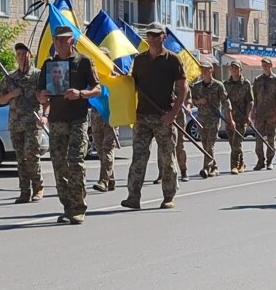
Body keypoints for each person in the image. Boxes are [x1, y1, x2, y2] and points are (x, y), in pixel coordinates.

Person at [37, 25, 101, 225]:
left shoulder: (83, 62)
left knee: (75, 162)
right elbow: (39, 94)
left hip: (77, 119)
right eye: (57, 40)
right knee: (59, 166)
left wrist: (81, 93)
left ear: (72, 41)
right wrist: (42, 96)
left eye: (64, 40)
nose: (59, 43)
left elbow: (98, 89)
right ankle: (68, 207)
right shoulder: (49, 65)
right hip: (56, 121)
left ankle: (78, 207)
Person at [121, 23, 188, 210]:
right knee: (138, 158)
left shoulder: (172, 60)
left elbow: (183, 88)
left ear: (163, 37)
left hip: (163, 116)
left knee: (167, 158)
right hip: (142, 116)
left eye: (155, 35)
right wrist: (121, 80)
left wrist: (173, 113)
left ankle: (168, 196)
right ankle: (133, 197)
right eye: (149, 35)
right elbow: (132, 85)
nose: (151, 37)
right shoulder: (140, 60)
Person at [0, 42, 48, 204]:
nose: (20, 57)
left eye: (23, 53)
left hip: (32, 122)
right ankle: (24, 191)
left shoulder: (38, 76)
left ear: (30, 55)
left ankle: (38, 187)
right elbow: (0, 99)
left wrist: (45, 114)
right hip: (15, 122)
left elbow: (46, 98)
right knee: (20, 158)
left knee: (31, 156)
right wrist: (12, 94)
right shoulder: (10, 77)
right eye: (18, 54)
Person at [190, 60, 233, 179]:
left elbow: (225, 101)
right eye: (202, 69)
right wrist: (199, 102)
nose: (204, 71)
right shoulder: (197, 86)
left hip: (214, 119)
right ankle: (214, 167)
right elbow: (192, 100)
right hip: (201, 119)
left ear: (211, 70)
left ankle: (205, 168)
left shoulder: (218, 85)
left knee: (210, 145)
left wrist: (230, 118)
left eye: (206, 69)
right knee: (205, 145)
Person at [89, 47, 118, 192]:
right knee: (100, 151)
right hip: (96, 117)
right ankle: (110, 179)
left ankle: (104, 181)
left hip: (110, 118)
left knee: (107, 149)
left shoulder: (115, 78)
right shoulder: (93, 78)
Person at [251, 57, 276, 171]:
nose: (264, 66)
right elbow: (254, 98)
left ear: (271, 65)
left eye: (266, 64)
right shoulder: (257, 80)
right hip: (260, 114)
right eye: (263, 64)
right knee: (259, 139)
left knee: (270, 139)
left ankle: (270, 161)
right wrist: (252, 112)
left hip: (271, 114)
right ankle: (260, 160)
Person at [224, 61, 254, 175]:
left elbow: (250, 101)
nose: (234, 70)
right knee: (233, 143)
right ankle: (241, 162)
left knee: (237, 143)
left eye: (236, 68)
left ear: (240, 70)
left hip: (241, 118)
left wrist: (248, 115)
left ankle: (234, 166)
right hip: (229, 118)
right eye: (232, 68)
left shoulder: (245, 84)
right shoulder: (225, 84)